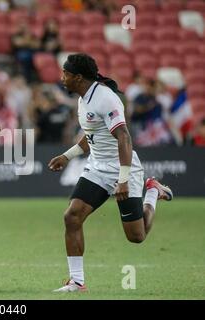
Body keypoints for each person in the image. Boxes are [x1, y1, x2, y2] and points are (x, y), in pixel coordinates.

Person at [48, 53, 173, 292]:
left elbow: (124, 136)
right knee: (71, 216)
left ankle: (152, 193)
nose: (61, 77)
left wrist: (123, 179)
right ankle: (77, 281)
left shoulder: (106, 99)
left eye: (65, 73)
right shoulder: (84, 98)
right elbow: (93, 134)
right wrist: (68, 156)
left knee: (136, 236)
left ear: (78, 77)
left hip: (123, 168)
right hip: (97, 168)